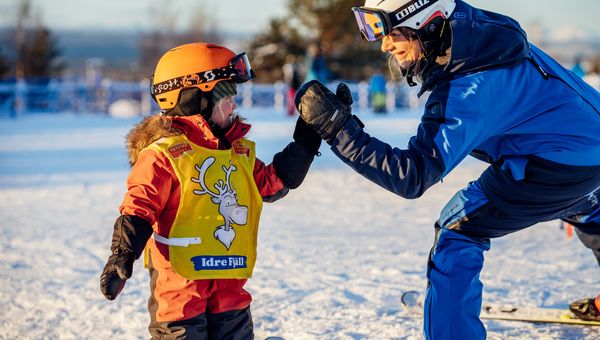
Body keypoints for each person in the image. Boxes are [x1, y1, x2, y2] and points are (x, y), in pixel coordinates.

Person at [294, 0, 600, 338]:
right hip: (589, 147)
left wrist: (339, 130)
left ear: (429, 24)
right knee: (589, 208)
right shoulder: (474, 35)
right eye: (371, 29)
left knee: (458, 229)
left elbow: (411, 175)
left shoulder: (469, 84)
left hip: (552, 161)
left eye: (389, 31)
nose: (383, 44)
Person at [99, 42, 321, 339]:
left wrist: (307, 140)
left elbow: (272, 184)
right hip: (181, 292)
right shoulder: (164, 155)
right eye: (225, 96)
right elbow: (139, 206)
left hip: (230, 288)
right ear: (193, 99)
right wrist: (122, 254)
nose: (234, 105)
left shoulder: (238, 153)